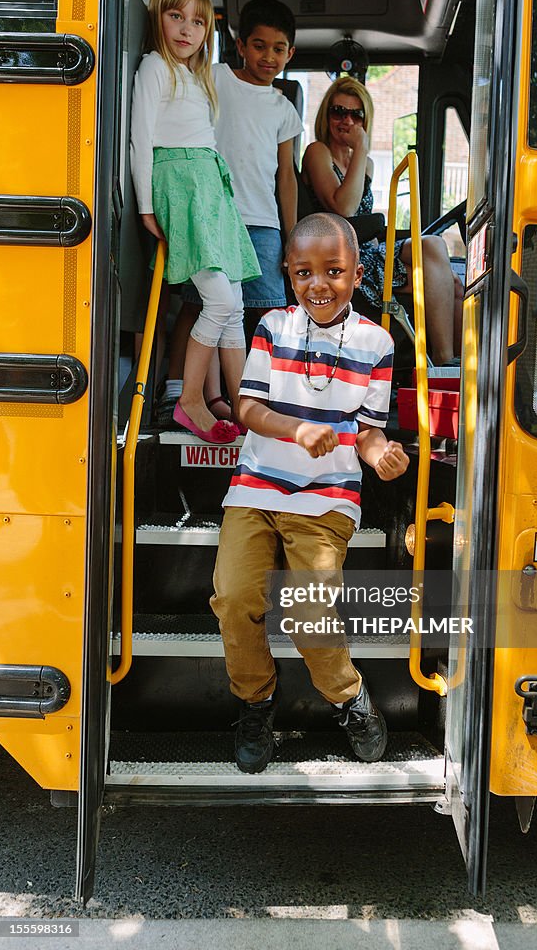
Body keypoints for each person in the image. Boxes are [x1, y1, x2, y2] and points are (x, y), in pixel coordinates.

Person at [210, 213, 410, 774]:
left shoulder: (376, 343)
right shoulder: (272, 328)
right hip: (257, 487)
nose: (318, 284)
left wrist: (382, 457)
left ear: (356, 273)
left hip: (327, 497)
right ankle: (255, 704)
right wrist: (295, 430)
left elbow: (369, 431)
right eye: (303, 273)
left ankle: (349, 699)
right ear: (288, 275)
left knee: (310, 609)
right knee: (234, 598)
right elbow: (247, 408)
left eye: (333, 271)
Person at [159, 0, 303, 424]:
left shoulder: (284, 109)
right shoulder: (215, 77)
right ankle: (177, 392)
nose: (269, 56)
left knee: (256, 312)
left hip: (262, 221)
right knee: (199, 305)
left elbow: (286, 177)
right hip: (211, 211)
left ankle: (242, 397)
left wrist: (291, 236)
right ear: (240, 45)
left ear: (290, 54)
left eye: (279, 49)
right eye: (259, 45)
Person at [130, 0, 261, 443]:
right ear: (158, 19)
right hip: (180, 183)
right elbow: (141, 140)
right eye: (175, 16)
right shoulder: (154, 67)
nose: (187, 29)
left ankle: (246, 405)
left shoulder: (195, 75)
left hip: (209, 185)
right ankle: (190, 400)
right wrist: (148, 206)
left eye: (198, 21)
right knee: (219, 299)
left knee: (236, 301)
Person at [301, 76, 464, 365]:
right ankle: (442, 361)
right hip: (338, 255)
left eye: (356, 114)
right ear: (326, 115)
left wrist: (360, 156)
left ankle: (453, 369)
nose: (346, 120)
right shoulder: (318, 152)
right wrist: (362, 148)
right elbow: (344, 207)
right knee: (440, 271)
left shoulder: (365, 164)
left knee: (444, 265)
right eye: (338, 112)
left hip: (370, 248)